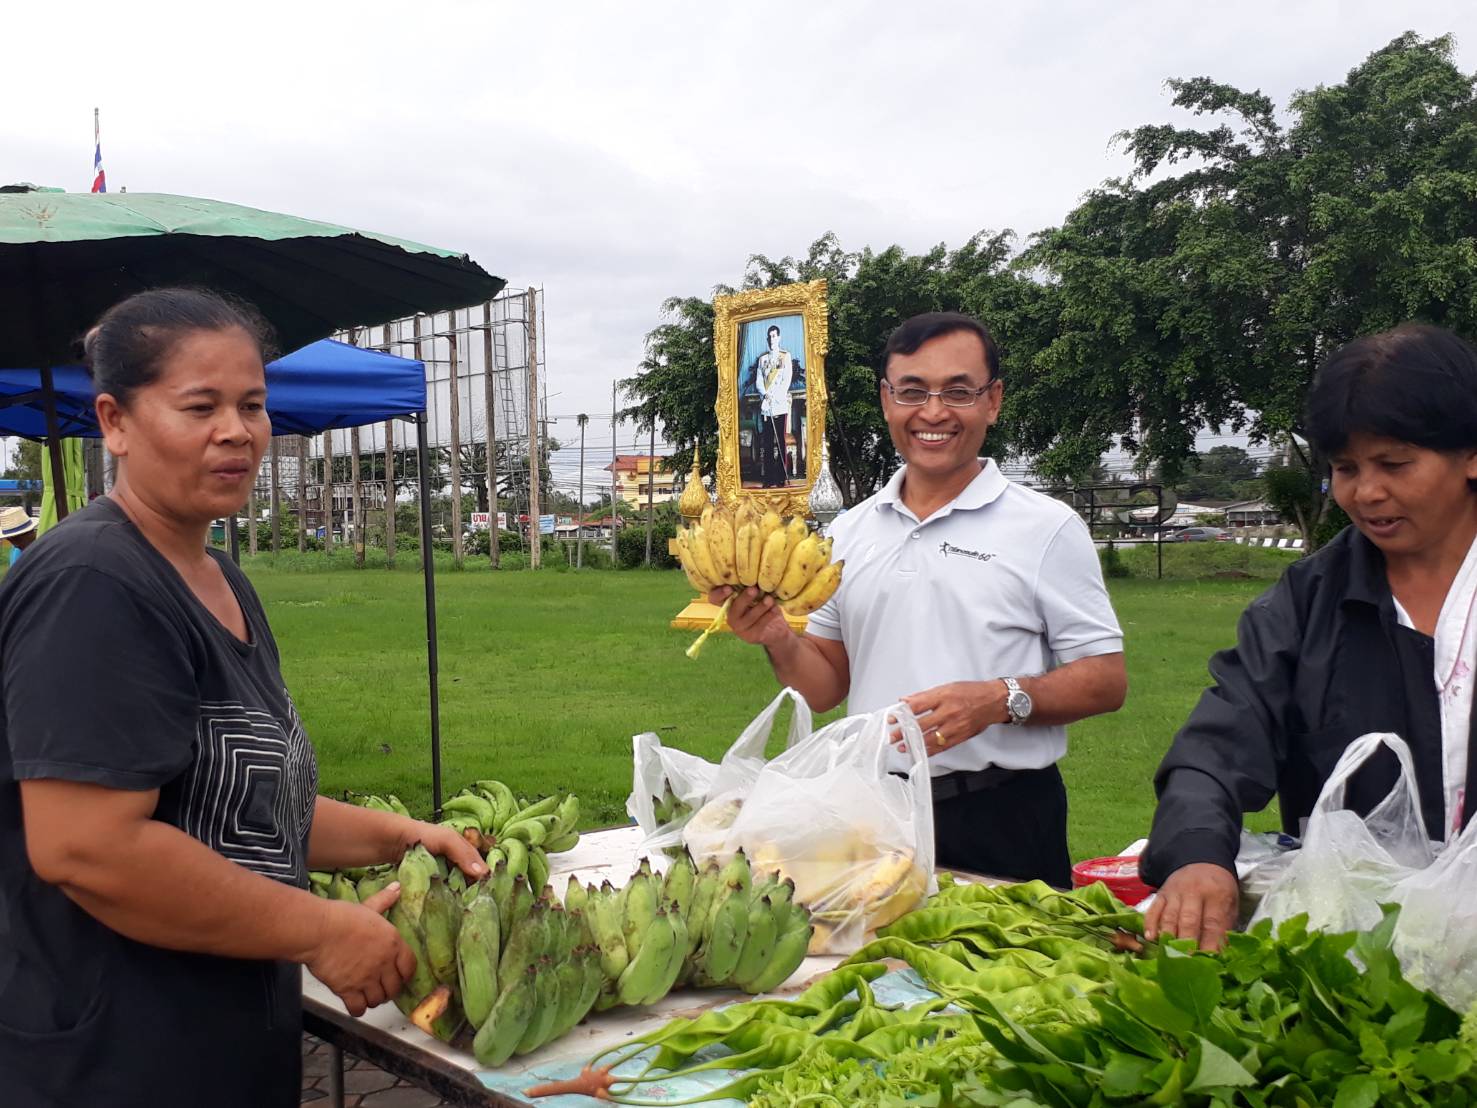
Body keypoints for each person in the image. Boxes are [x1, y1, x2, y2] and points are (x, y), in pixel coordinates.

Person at [0, 288, 487, 1108]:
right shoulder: (93, 583)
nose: (237, 431)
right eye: (201, 406)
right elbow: (87, 846)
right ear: (115, 421)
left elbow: (248, 801)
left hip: (224, 1046)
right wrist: (321, 928)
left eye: (252, 404)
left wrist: (402, 835)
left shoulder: (215, 572)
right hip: (117, 1063)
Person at [715, 311, 1128, 885]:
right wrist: (779, 638)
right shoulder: (847, 534)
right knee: (865, 972)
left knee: (999, 973)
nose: (933, 413)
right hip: (869, 811)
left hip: (1000, 813)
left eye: (958, 391)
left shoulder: (1046, 528)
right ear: (887, 400)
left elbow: (1106, 679)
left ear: (993, 401)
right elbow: (826, 686)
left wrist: (999, 698)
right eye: (912, 391)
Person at [1140, 324, 1477, 952]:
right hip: (1358, 951)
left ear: (1471, 455)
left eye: (1394, 464)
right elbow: (1215, 747)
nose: (1366, 492)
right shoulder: (1306, 602)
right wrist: (1197, 855)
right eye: (1345, 468)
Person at [751, 324, 800, 487]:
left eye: (774, 336)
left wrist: (774, 396)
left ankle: (779, 477)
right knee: (767, 442)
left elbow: (786, 379)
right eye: (770, 336)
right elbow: (759, 379)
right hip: (767, 405)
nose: (772, 339)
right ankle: (768, 478)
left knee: (780, 441)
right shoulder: (763, 359)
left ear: (779, 338)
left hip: (779, 405)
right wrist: (765, 394)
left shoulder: (785, 356)